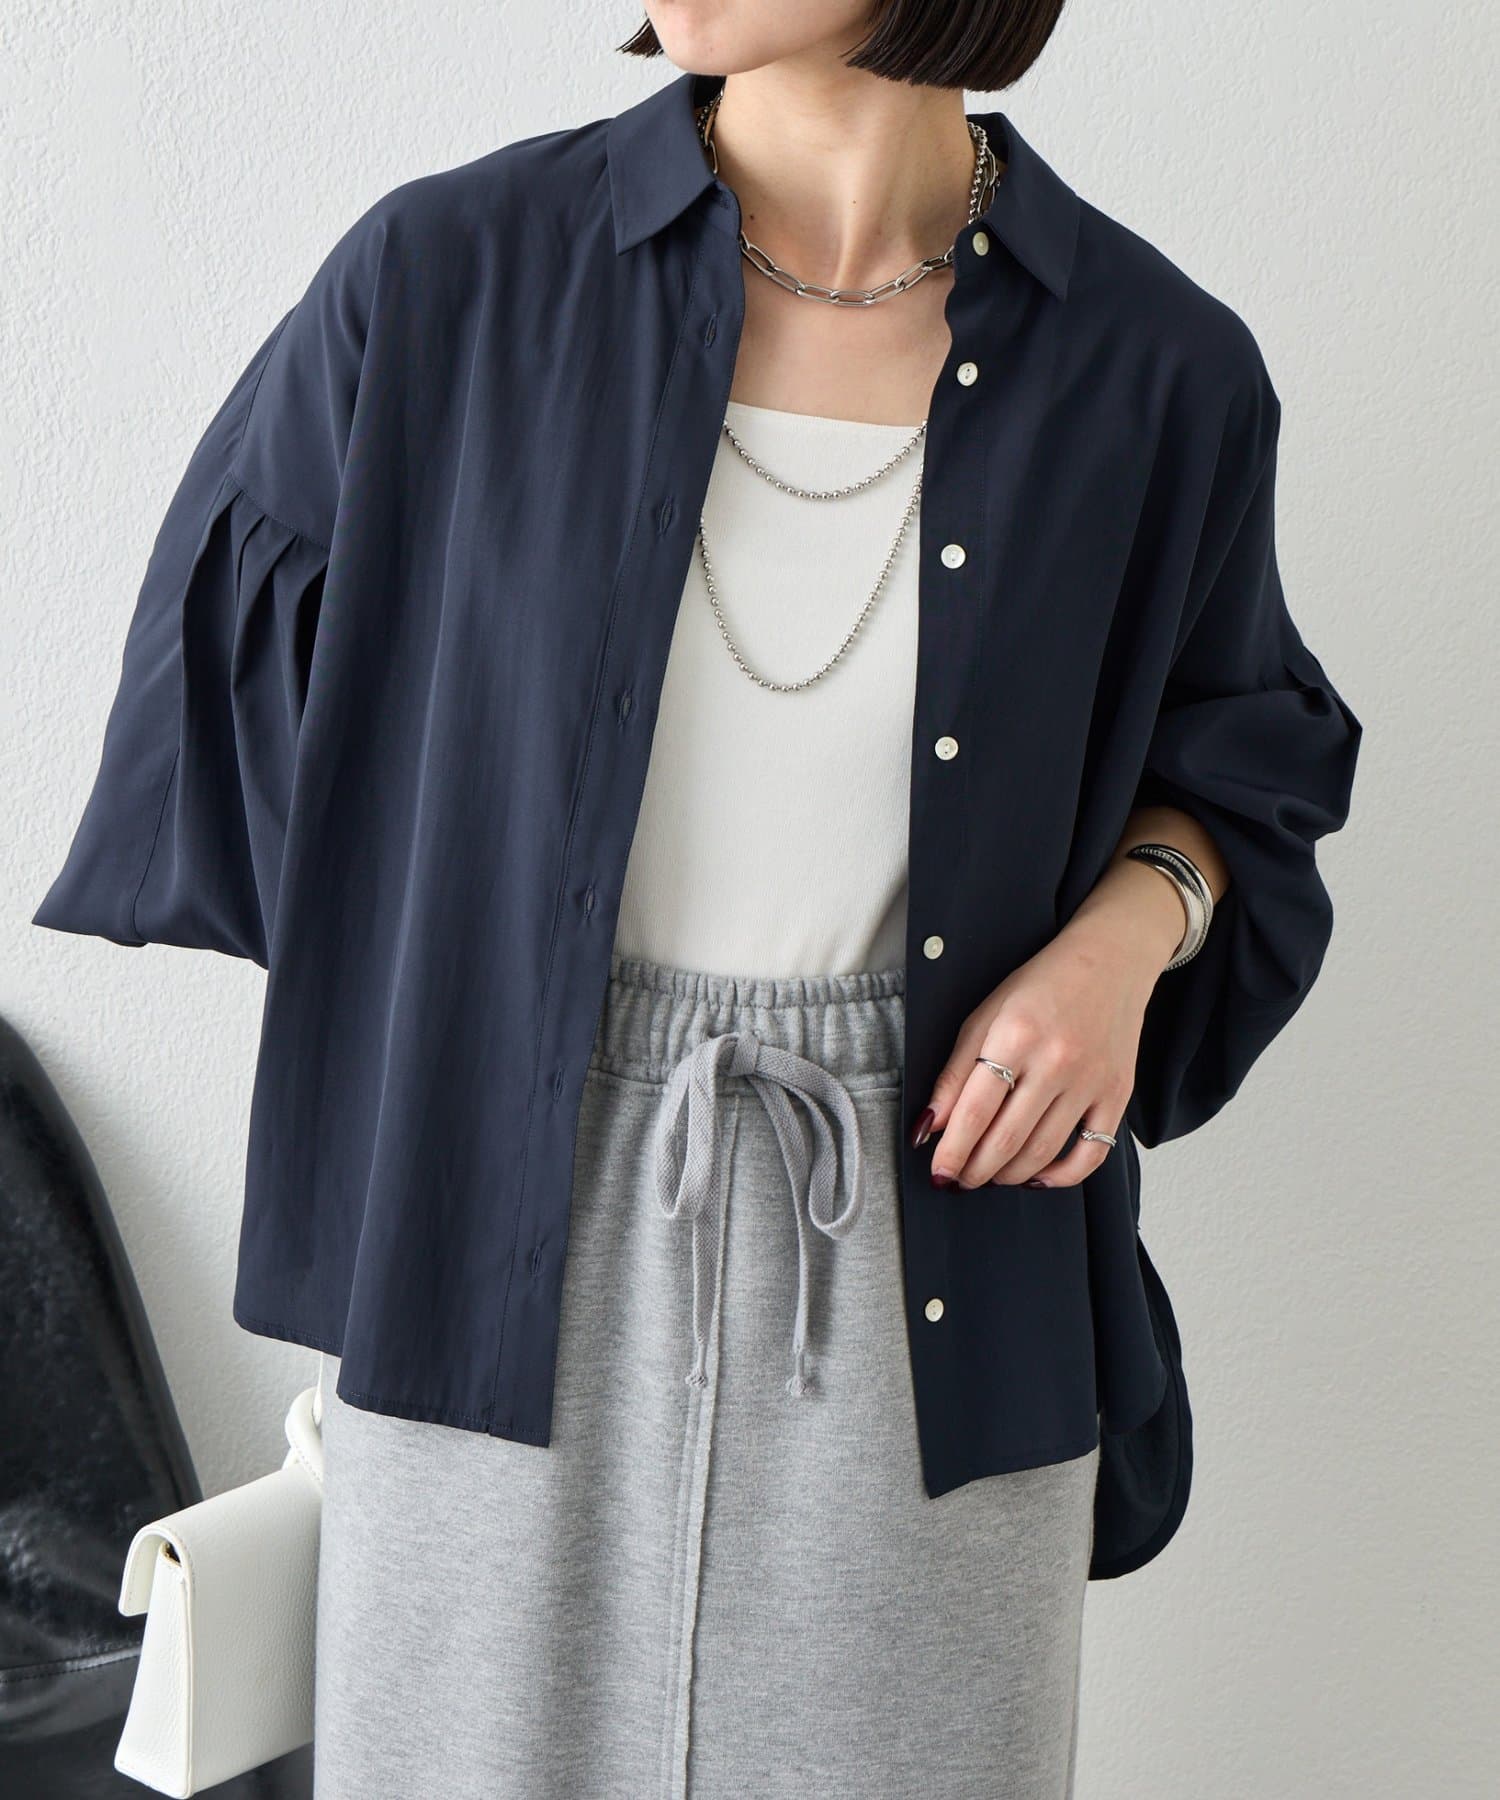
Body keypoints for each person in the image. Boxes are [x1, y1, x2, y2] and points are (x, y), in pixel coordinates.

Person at [31, 3, 1362, 1795]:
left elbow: (1249, 766)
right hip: (498, 1231)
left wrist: (1133, 935)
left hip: (936, 1235)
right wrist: (493, 994)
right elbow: (265, 735)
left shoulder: (1157, 368)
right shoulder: (448, 283)